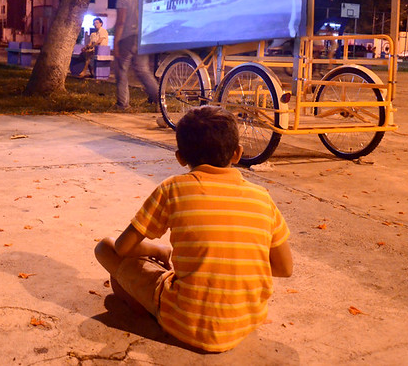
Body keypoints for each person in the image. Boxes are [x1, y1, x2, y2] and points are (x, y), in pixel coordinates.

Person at [94, 106, 293, 352]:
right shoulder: (262, 198)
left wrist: (155, 250)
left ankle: (158, 270)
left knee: (106, 251)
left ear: (180, 157)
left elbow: (122, 247)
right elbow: (285, 268)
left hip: (185, 321)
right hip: (246, 321)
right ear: (237, 153)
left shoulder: (172, 189)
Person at [113, 0, 158, 110]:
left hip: (127, 36)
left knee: (121, 69)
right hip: (143, 37)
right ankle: (160, 100)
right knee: (143, 70)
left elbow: (121, 22)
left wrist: (116, 43)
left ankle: (123, 104)